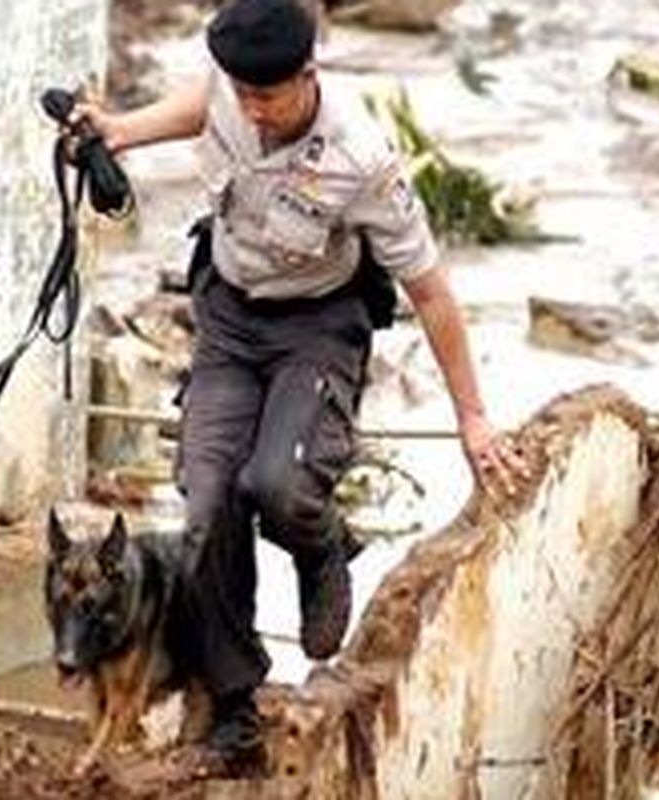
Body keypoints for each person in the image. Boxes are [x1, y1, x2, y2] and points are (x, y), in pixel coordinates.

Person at [70, 0, 529, 761]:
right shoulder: (232, 90)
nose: (253, 110)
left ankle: (321, 549)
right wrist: (121, 128)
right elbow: (201, 103)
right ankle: (235, 706)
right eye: (243, 94)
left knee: (276, 488)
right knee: (208, 502)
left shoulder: (361, 158)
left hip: (316, 328)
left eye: (269, 97)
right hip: (229, 315)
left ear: (308, 75)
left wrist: (473, 417)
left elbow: (433, 292)